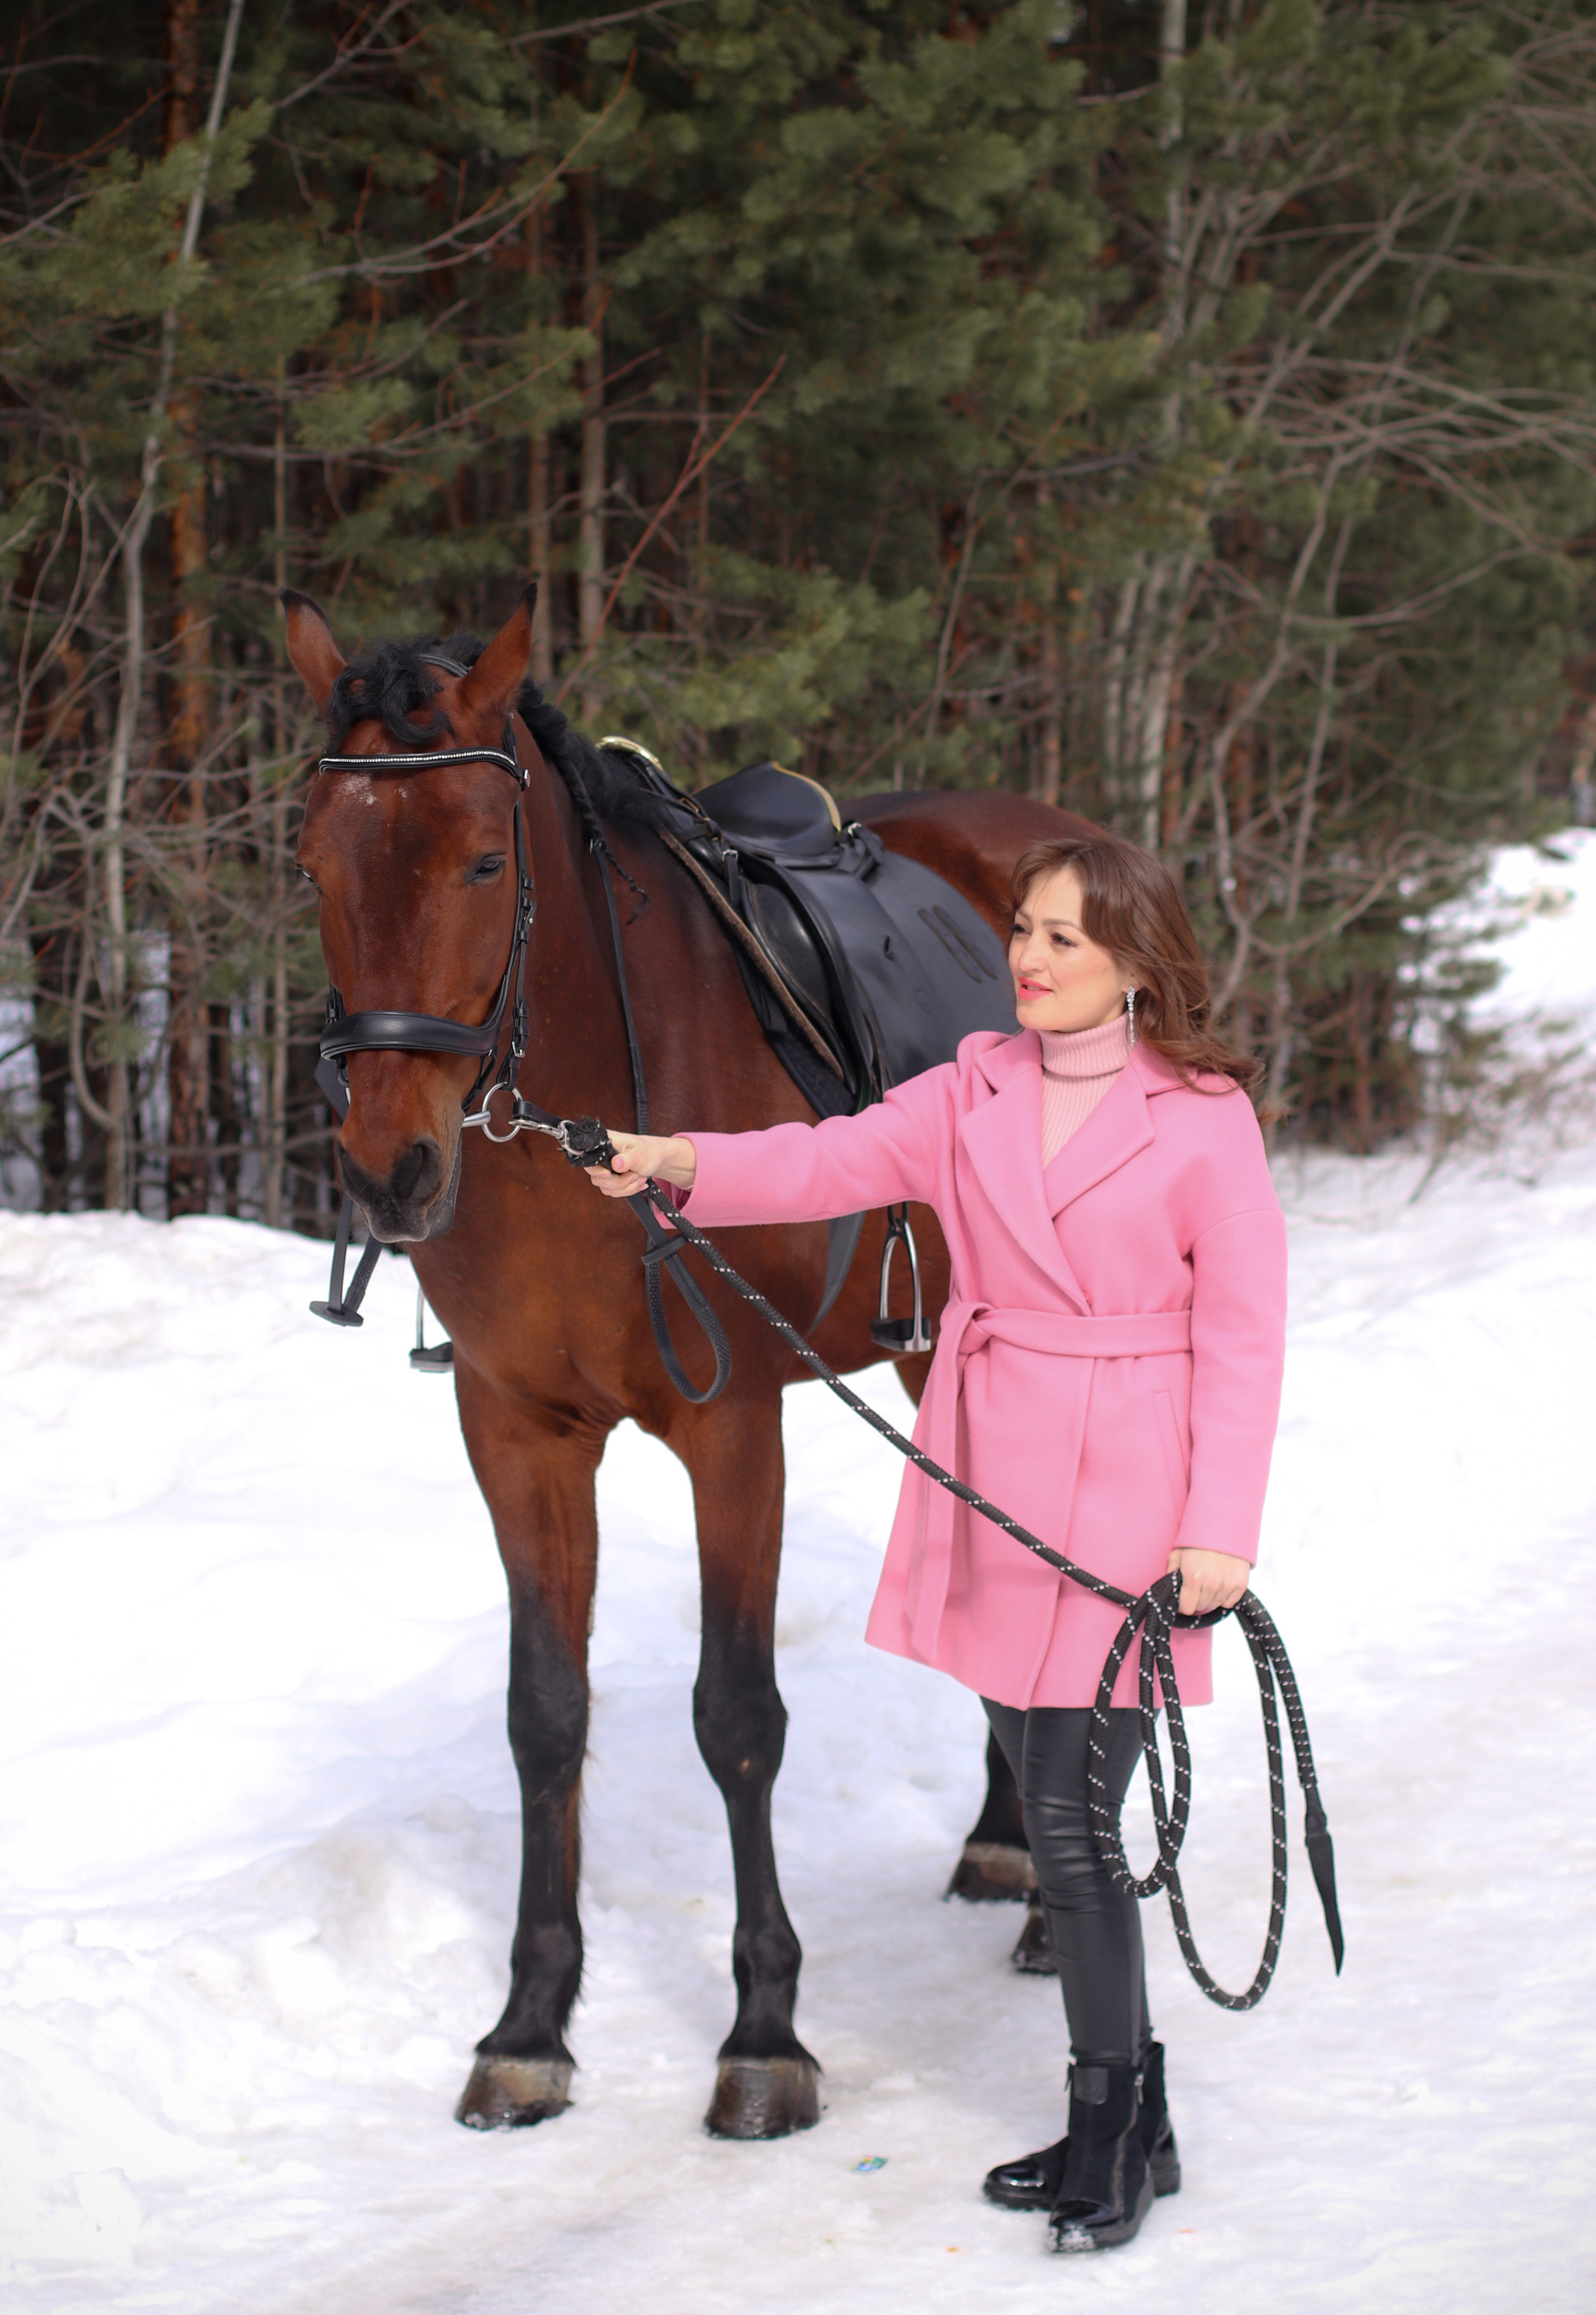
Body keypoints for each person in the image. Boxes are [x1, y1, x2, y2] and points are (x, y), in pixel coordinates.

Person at [586, 826, 1287, 2255]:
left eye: (1061, 942)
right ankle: (1126, 2116)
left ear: (1134, 968)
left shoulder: (1202, 1116)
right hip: (994, 1466)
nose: (1024, 959)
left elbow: (1244, 1336)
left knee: (1075, 1830)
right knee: (1056, 1807)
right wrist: (676, 1160)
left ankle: (1115, 2129)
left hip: (1130, 1495)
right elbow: (829, 1159)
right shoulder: (969, 1086)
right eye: (1021, 930)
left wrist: (1218, 1532)